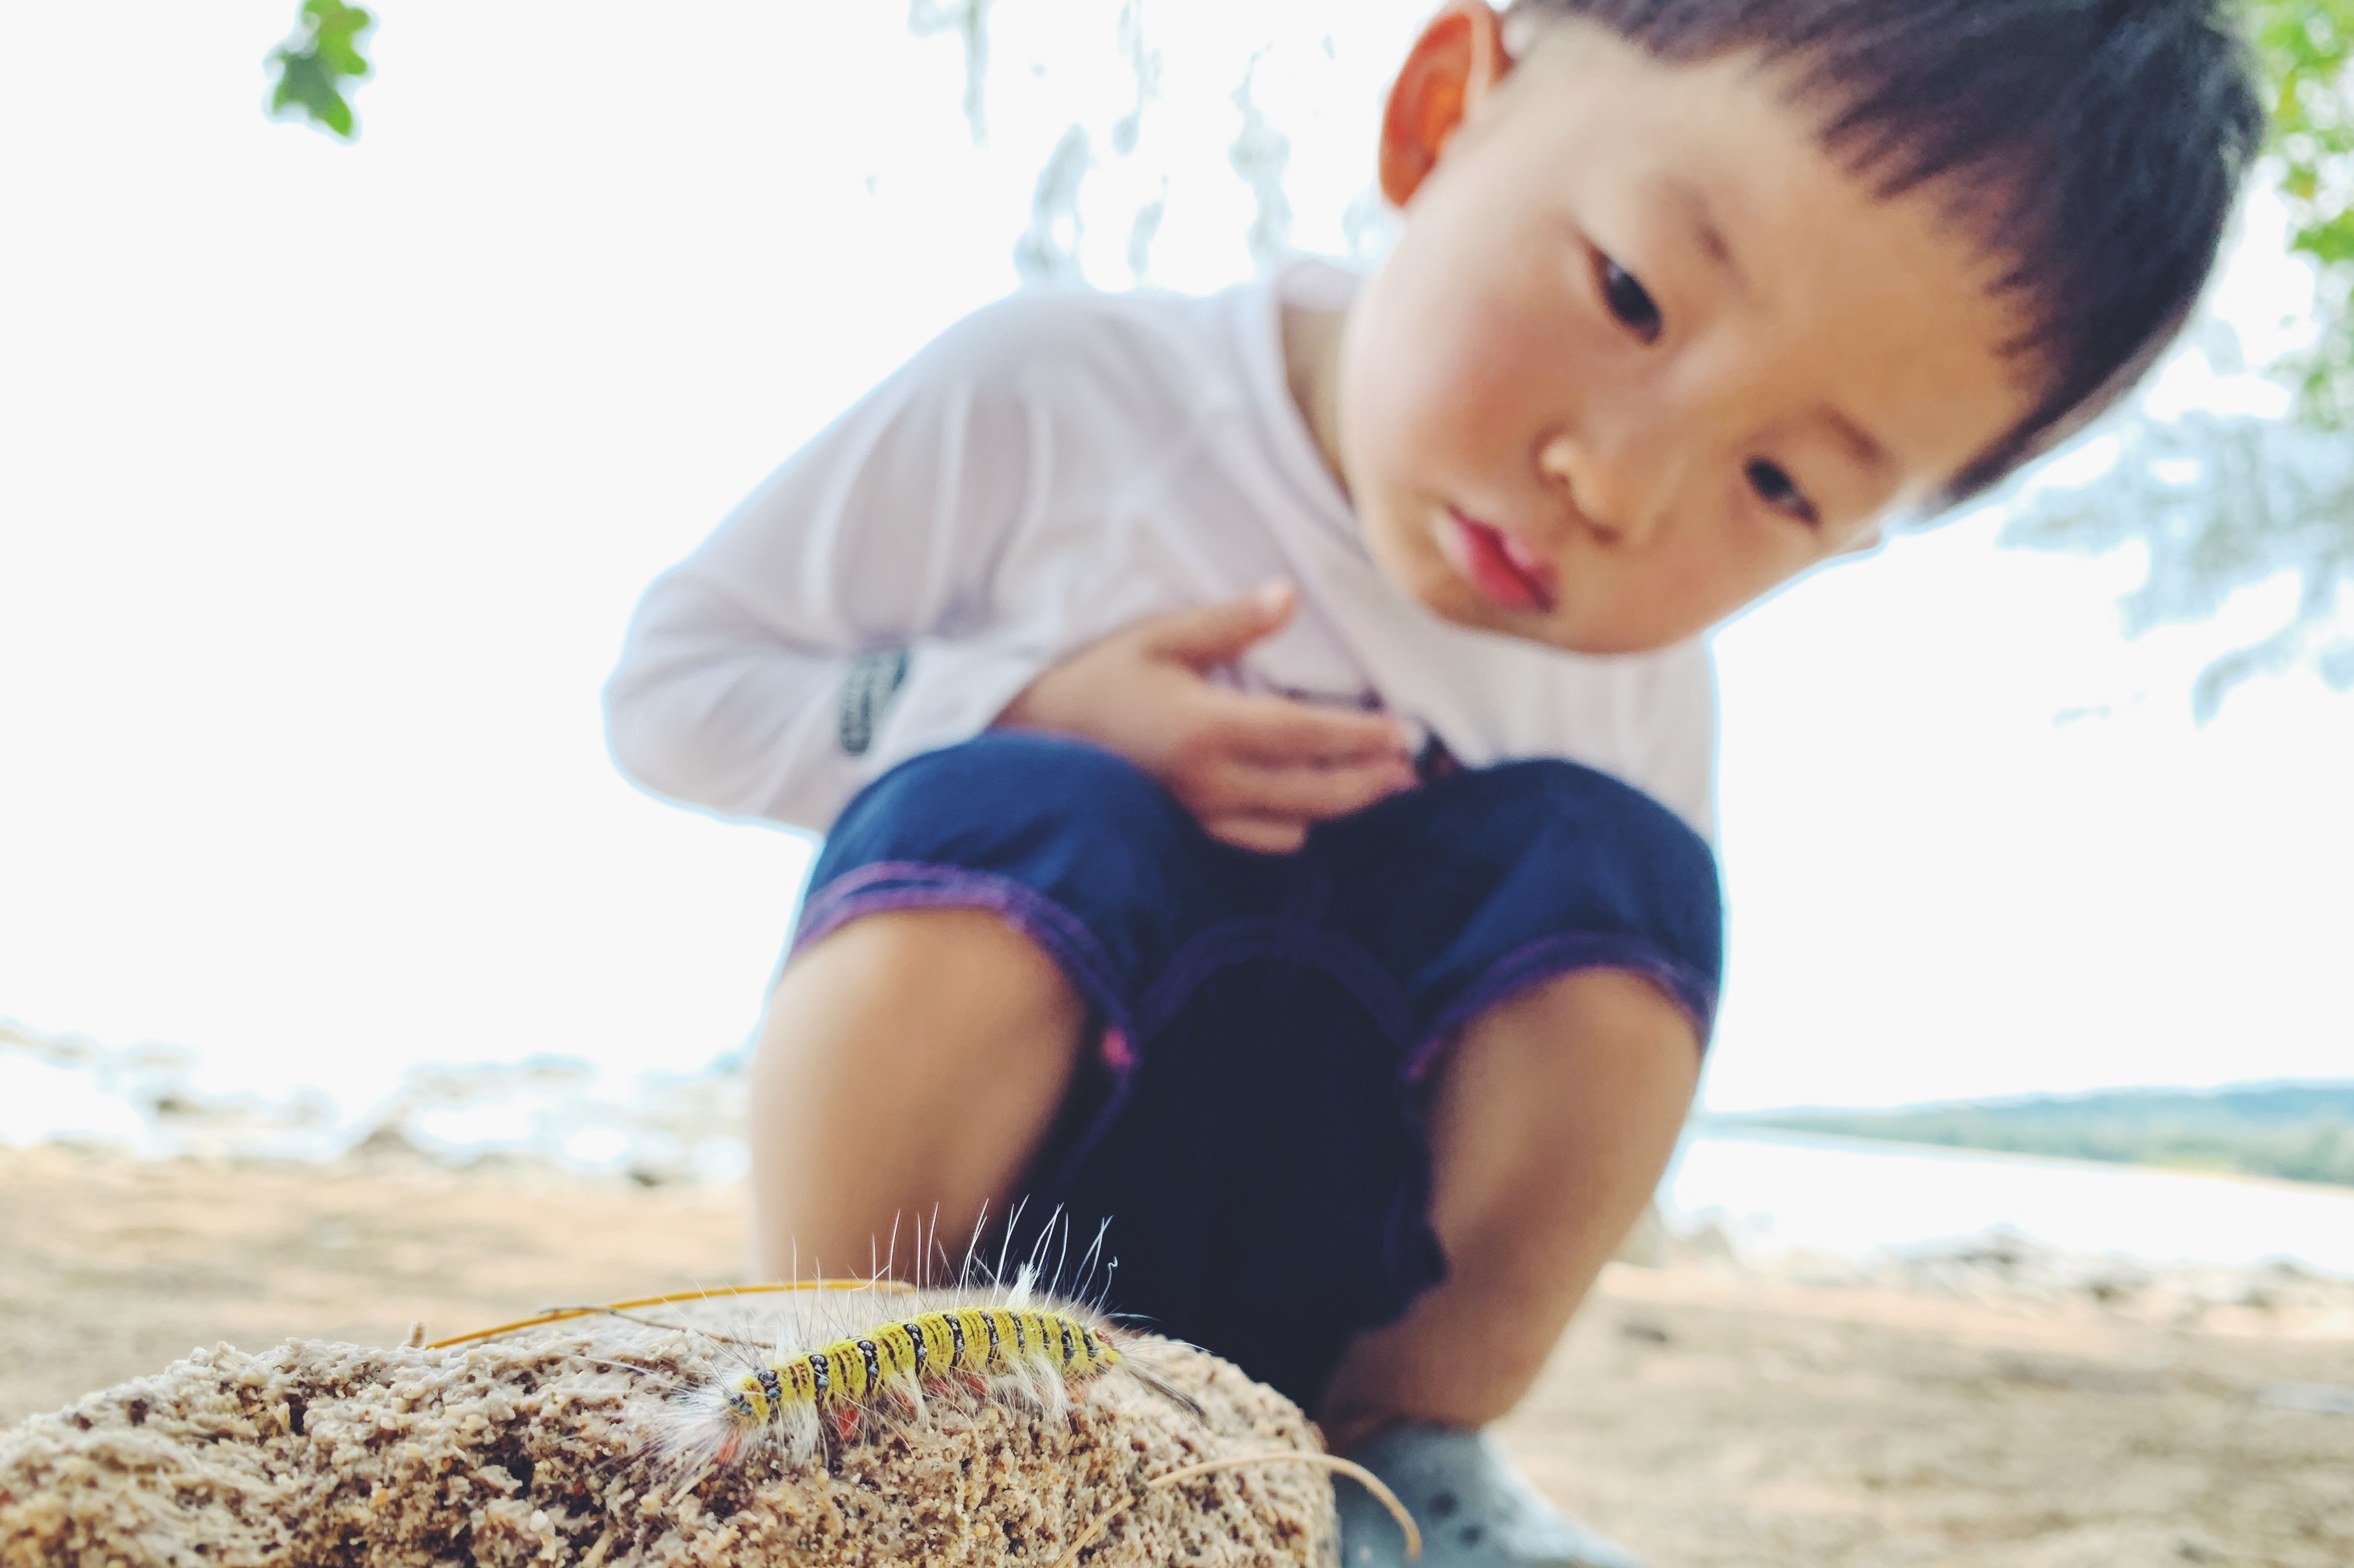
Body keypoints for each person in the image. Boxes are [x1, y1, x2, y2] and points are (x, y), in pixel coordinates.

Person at [603, 2, 2260, 1562]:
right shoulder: (1060, 398)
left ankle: (1400, 1465)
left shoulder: (1640, 698)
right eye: (1629, 295)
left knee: (1620, 881)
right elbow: (677, 693)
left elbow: (1582, 1078)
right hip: (965, 1239)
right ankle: (841, 1382)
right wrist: (1023, 704)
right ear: (1444, 109)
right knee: (1037, 810)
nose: (1615, 483)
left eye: (1777, 480)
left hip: (1324, 1288)